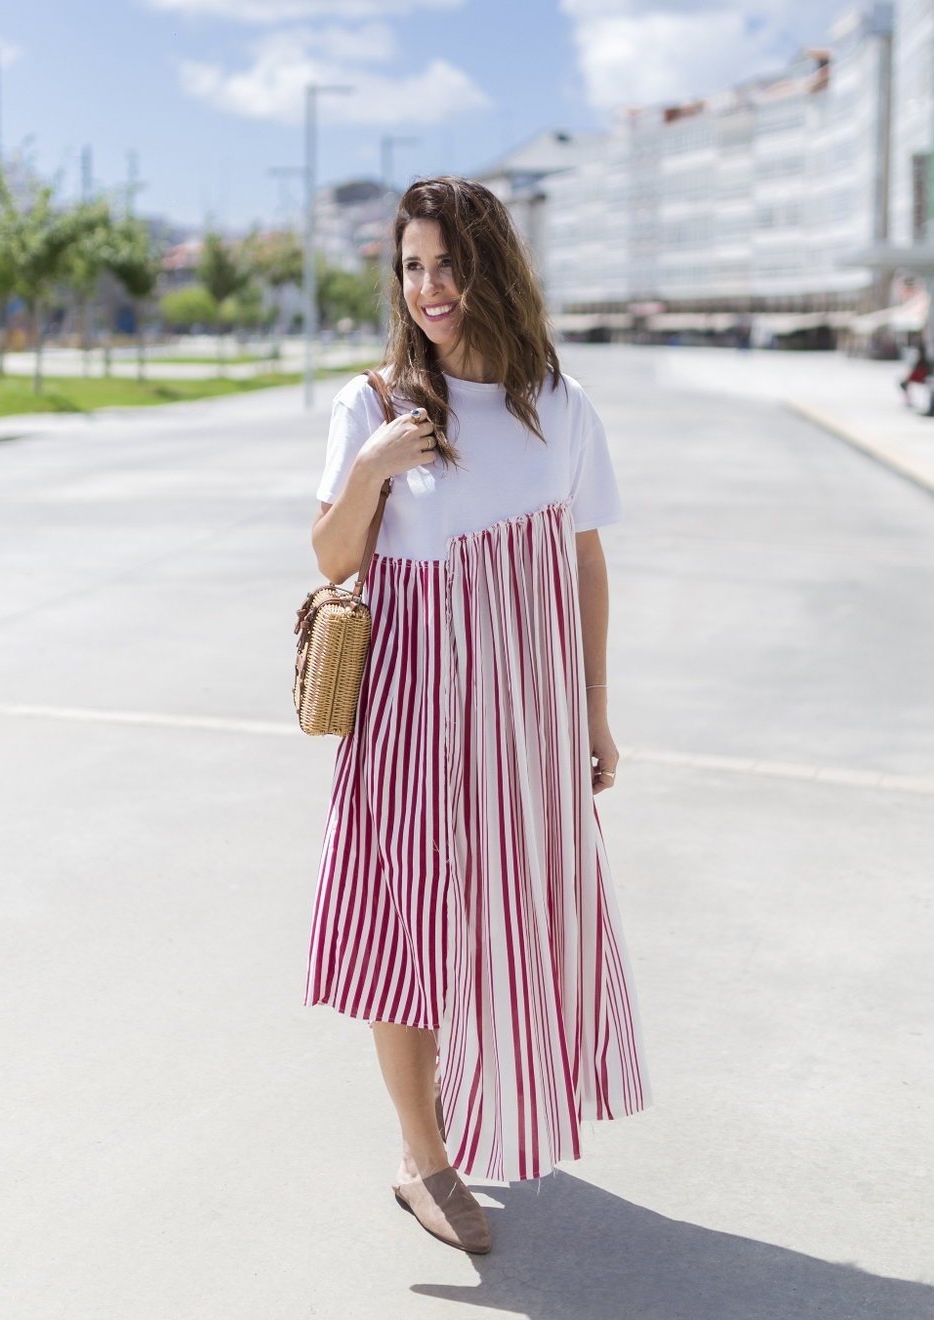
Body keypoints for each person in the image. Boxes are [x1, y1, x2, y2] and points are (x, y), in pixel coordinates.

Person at [306, 177, 650, 1255]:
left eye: (447, 264)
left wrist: (593, 711)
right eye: (411, 266)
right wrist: (370, 470)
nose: (428, 287)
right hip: (410, 710)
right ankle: (425, 1157)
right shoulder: (372, 405)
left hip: (529, 719)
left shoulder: (560, 405)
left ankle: (489, 1112)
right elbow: (330, 559)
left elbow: (584, 560)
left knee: (518, 924)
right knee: (406, 931)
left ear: (491, 268)